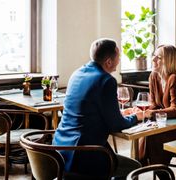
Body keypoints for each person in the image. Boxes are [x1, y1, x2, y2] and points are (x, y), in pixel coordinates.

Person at [53, 38, 143, 178]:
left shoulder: (76, 74)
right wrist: (136, 117)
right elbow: (116, 125)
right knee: (135, 168)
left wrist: (120, 112)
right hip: (85, 155)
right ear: (108, 61)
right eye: (118, 57)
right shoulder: (107, 80)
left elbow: (88, 111)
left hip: (59, 150)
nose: (119, 61)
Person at [140, 44, 176, 166]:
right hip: (165, 124)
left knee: (153, 138)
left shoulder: (175, 79)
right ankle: (142, 166)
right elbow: (153, 104)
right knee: (143, 134)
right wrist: (142, 113)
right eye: (154, 56)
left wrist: (150, 114)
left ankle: (154, 170)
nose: (153, 59)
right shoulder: (153, 76)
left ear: (169, 61)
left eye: (158, 57)